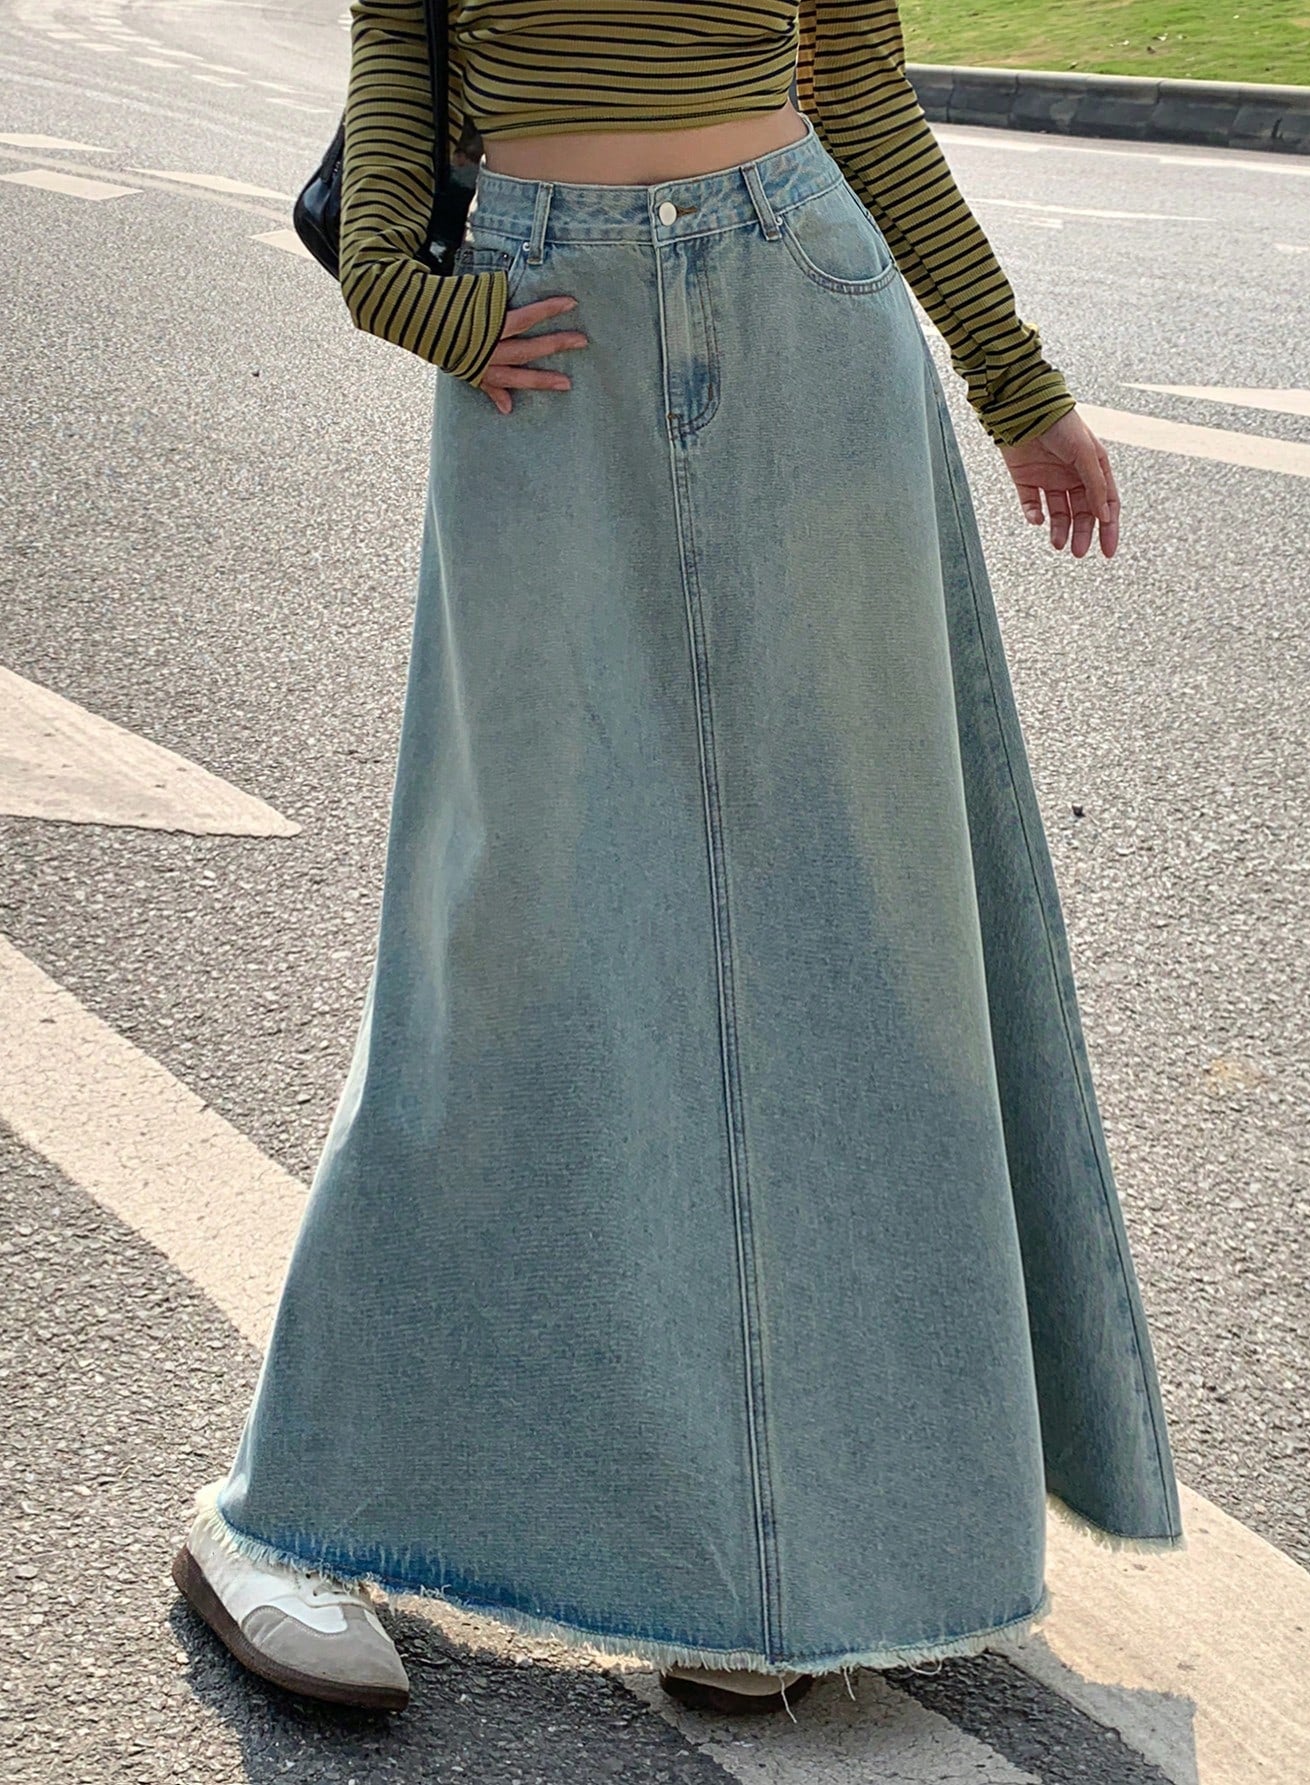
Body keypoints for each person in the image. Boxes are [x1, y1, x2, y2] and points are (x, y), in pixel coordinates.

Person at [172, 0, 1184, 1719]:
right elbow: (397, 76)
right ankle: (290, 1506)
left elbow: (856, 83)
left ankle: (776, 1549)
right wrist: (411, 291)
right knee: (500, 944)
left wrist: (1016, 381)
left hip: (805, 302)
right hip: (543, 332)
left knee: (855, 939)